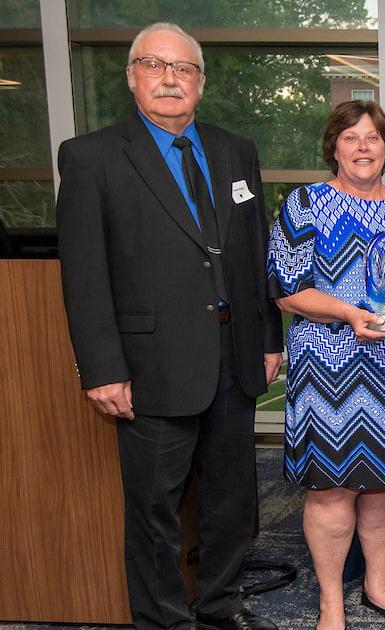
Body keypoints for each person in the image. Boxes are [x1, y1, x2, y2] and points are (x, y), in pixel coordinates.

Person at [56, 22, 282, 630]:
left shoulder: (235, 151)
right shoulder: (92, 158)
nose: (170, 78)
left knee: (233, 499)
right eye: (155, 65)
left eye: (183, 69)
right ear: (131, 77)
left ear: (201, 84)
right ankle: (162, 620)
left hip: (234, 360)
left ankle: (219, 603)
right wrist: (102, 369)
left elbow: (253, 252)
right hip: (151, 367)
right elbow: (83, 275)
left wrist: (266, 340)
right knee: (154, 508)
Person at [266, 100, 385, 629]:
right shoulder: (305, 204)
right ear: (334, 148)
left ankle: (378, 586)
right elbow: (286, 291)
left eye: (373, 137)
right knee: (332, 488)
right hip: (329, 366)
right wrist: (348, 311)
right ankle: (330, 602)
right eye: (351, 138)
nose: (363, 146)